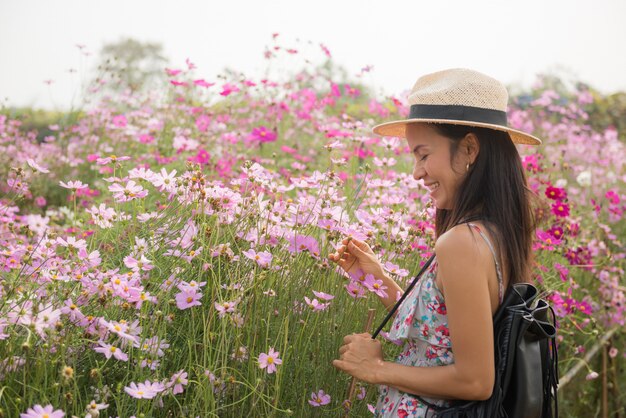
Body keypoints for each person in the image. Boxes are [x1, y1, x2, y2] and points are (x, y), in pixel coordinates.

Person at [328, 68, 541, 417]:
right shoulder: (494, 231)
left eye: (423, 154)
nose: (416, 171)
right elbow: (442, 335)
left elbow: (475, 380)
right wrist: (378, 279)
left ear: (469, 148)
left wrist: (376, 369)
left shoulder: (462, 241)